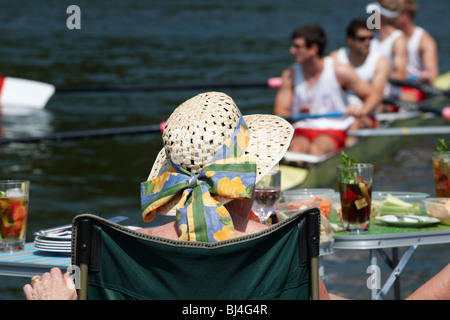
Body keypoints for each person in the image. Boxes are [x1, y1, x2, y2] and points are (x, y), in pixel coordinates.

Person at [273, 24, 379, 155]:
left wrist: (361, 111)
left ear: (313, 49)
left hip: (335, 127)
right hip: (303, 127)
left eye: (297, 47)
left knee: (316, 149)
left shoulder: (339, 71)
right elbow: (280, 111)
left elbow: (373, 95)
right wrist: (296, 112)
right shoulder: (290, 74)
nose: (292, 50)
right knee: (296, 150)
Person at [330, 18, 390, 144]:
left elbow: (376, 95)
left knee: (355, 123)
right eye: (362, 39)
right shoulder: (335, 57)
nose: (367, 42)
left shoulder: (380, 62)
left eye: (370, 38)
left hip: (365, 114)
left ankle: (347, 157)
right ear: (350, 40)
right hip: (339, 111)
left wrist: (361, 111)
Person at [369, 0, 408, 101]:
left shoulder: (398, 41)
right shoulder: (371, 38)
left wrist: (378, 74)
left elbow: (400, 76)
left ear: (379, 15)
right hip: (371, 89)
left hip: (389, 94)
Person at [395, 0, 439, 84]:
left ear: (405, 17)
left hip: (414, 86)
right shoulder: (391, 36)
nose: (389, 19)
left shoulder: (424, 41)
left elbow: (432, 75)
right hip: (395, 82)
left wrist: (423, 76)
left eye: (392, 15)